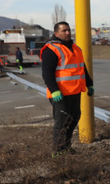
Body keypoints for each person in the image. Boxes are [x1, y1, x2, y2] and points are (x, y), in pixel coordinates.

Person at [40, 22, 94, 155]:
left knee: (74, 118)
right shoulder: (51, 49)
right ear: (56, 33)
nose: (68, 33)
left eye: (69, 30)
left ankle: (66, 147)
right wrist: (54, 90)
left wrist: (89, 83)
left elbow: (82, 68)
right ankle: (58, 151)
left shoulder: (76, 48)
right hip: (60, 93)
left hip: (75, 91)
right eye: (64, 30)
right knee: (62, 122)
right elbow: (47, 73)